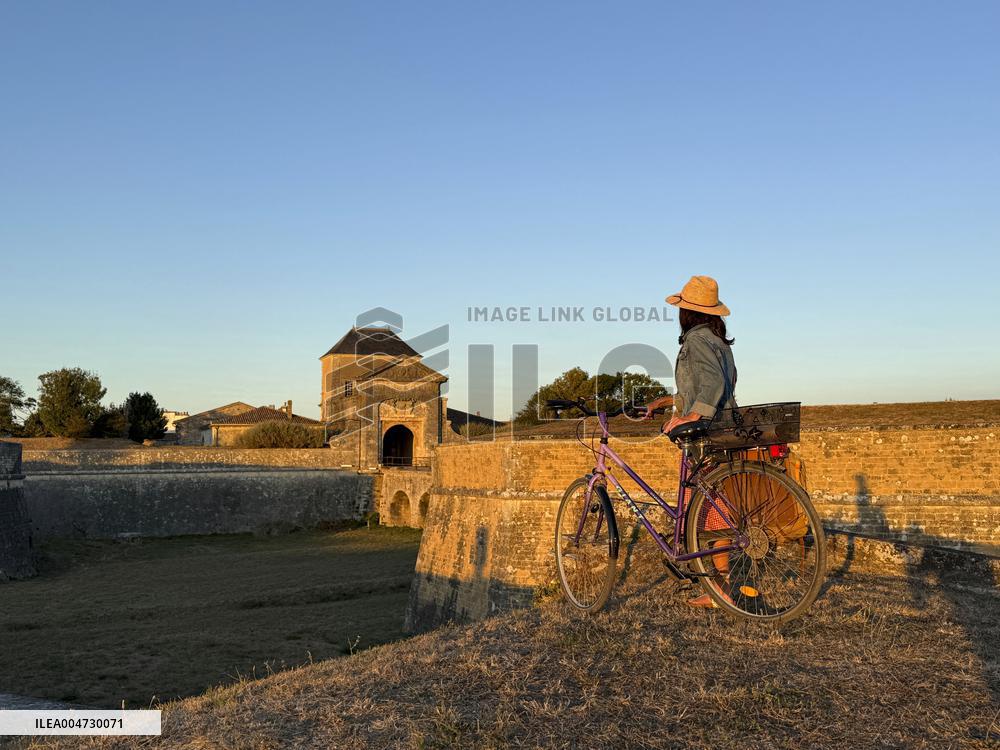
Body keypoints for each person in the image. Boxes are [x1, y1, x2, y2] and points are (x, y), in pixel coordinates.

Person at [643, 274, 737, 608]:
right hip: (725, 425)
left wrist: (691, 417)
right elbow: (703, 387)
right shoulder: (717, 341)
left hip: (706, 432)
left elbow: (710, 386)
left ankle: (721, 590)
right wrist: (667, 403)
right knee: (715, 504)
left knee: (712, 510)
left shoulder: (696, 339)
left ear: (688, 312)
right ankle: (718, 587)